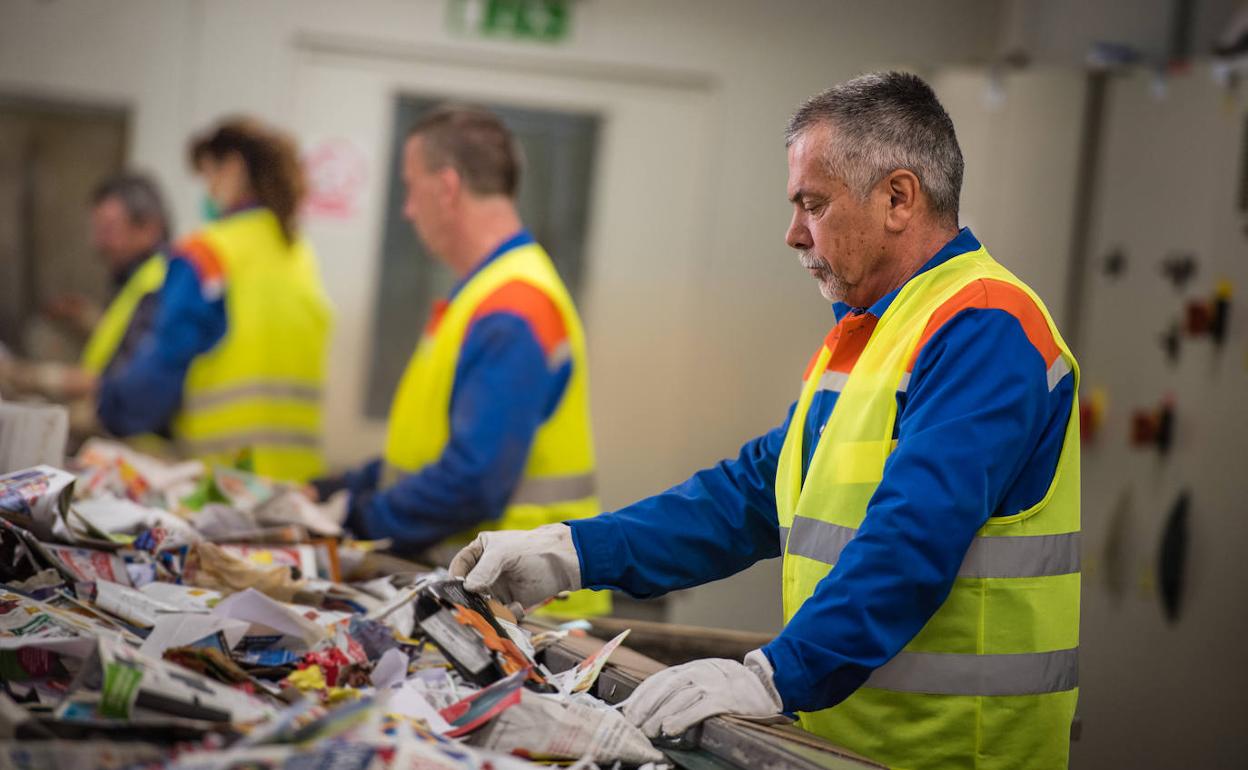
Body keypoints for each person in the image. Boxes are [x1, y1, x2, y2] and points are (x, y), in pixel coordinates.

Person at [451, 72, 1080, 769]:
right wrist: (574, 551)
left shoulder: (984, 325)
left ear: (899, 198)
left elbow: (913, 538)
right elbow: (751, 495)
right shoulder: (869, 330)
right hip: (846, 743)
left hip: (954, 755)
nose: (793, 233)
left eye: (813, 204)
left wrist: (776, 675)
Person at [310, 105, 608, 617]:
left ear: (447, 187)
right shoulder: (490, 293)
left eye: (411, 188)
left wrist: (356, 519)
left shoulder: (513, 305)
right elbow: (434, 449)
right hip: (496, 603)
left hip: (525, 614)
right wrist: (345, 487)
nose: (408, 210)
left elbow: (472, 483)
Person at [97, 117, 333, 482]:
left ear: (233, 168)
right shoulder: (299, 255)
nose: (207, 190)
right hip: (295, 485)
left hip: (220, 483)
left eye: (208, 175)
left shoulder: (208, 253)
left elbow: (161, 367)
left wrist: (109, 407)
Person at [0, 174, 170, 404]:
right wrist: (87, 317)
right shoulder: (140, 278)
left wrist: (26, 376)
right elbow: (124, 340)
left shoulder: (161, 282)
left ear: (148, 228)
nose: (97, 243)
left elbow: (125, 377)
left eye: (109, 229)